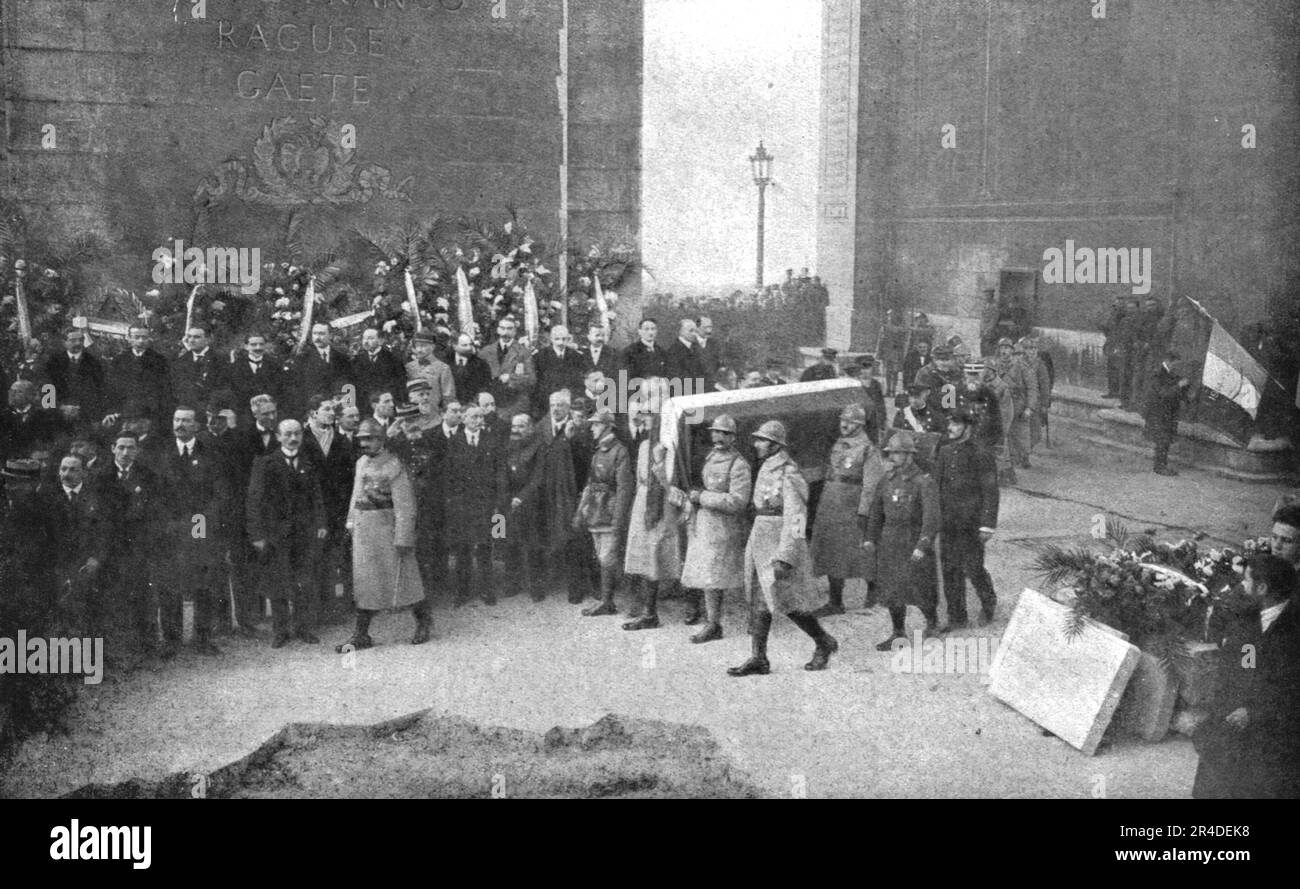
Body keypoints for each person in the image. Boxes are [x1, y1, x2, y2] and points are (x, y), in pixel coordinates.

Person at [727, 420, 838, 676]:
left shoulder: (789, 473)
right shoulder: (766, 467)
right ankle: (759, 658)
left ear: (775, 445)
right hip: (760, 541)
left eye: (762, 440)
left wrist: (786, 555)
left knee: (787, 602)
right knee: (759, 600)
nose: (756, 444)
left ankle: (823, 641)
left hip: (779, 545)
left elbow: (797, 517)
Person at [1193, 553, 1300, 799]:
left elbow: (1290, 688)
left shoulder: (1294, 630)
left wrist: (1253, 711)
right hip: (1238, 713)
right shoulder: (1250, 618)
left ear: (1262, 588)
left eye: (1247, 580)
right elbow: (1245, 667)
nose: (1242, 584)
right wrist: (1236, 705)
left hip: (1276, 725)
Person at [336, 419, 431, 651]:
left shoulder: (393, 465)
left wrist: (404, 537)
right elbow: (356, 495)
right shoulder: (360, 463)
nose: (365, 443)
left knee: (405, 579)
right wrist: (350, 522)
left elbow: (405, 505)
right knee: (366, 582)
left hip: (388, 531)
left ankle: (423, 621)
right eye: (362, 439)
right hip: (364, 532)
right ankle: (361, 634)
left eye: (370, 438)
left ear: (381, 440)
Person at [246, 418, 328, 648]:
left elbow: (317, 497)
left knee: (304, 581)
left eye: (297, 434)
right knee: (278, 583)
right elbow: (254, 502)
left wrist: (321, 523)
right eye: (288, 434)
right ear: (279, 437)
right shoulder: (265, 463)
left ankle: (303, 628)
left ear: (302, 436)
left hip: (304, 533)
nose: (293, 438)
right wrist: (257, 535)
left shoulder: (308, 463)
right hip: (275, 534)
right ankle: (280, 630)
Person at [155, 406, 230, 657]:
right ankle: (172, 639)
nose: (180, 424)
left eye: (186, 420)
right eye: (176, 419)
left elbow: (219, 494)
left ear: (197, 425)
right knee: (170, 585)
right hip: (171, 529)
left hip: (200, 528)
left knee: (203, 584)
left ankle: (202, 637)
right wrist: (169, 523)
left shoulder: (211, 452)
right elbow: (156, 494)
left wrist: (200, 521)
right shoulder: (161, 453)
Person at [861, 430, 941, 650]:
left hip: (912, 539)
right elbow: (876, 512)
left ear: (909, 455)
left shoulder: (923, 482)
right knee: (892, 589)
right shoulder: (886, 481)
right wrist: (870, 538)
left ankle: (932, 623)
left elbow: (931, 518)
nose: (892, 457)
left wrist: (922, 545)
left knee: (921, 586)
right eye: (891, 453)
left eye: (897, 453)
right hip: (890, 541)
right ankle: (898, 633)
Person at [810, 405, 887, 616]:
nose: (844, 424)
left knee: (861, 550)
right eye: (843, 420)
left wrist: (864, 511)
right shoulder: (838, 444)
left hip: (852, 506)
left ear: (860, 425)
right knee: (832, 550)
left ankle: (874, 593)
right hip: (832, 503)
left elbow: (872, 484)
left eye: (850, 422)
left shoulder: (867, 449)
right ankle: (835, 602)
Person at [92, 429, 161, 665]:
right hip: (111, 547)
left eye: (130, 448)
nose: (125, 452)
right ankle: (116, 652)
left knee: (143, 597)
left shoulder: (148, 476)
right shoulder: (100, 476)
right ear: (112, 448)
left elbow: (154, 512)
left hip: (139, 546)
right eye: (121, 447)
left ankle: (147, 648)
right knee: (114, 599)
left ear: (137, 450)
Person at [681, 414, 751, 643]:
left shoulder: (739, 465)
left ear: (733, 438)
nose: (719, 437)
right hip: (706, 525)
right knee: (709, 576)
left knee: (729, 575)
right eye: (716, 432)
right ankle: (713, 624)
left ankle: (754, 620)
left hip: (725, 527)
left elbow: (738, 501)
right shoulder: (711, 457)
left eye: (725, 434)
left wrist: (703, 497)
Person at [933, 409, 999, 630]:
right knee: (950, 568)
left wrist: (987, 524)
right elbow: (937, 486)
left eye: (955, 424)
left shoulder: (981, 452)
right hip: (949, 521)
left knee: (973, 567)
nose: (950, 428)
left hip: (971, 523)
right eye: (949, 423)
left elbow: (990, 490)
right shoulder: (944, 451)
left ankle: (988, 601)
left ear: (967, 427)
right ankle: (957, 617)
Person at [619, 404, 683, 631]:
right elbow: (639, 479)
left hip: (661, 503)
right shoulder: (644, 445)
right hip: (643, 501)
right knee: (642, 555)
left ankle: (650, 612)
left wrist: (658, 464)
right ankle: (644, 608)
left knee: (656, 554)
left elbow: (671, 484)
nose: (643, 422)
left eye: (647, 418)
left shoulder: (668, 448)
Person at [37, 453, 108, 637]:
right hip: (55, 565)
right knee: (56, 614)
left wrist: (96, 558)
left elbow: (104, 533)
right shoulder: (46, 497)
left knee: (85, 613)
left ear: (83, 472)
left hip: (86, 565)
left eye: (73, 469)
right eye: (63, 469)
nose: (67, 474)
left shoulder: (97, 498)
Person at [574, 409, 634, 616]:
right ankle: (607, 600)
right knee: (601, 556)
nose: (592, 428)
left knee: (608, 558)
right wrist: (581, 511)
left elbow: (624, 489)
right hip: (596, 511)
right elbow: (590, 484)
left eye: (596, 424)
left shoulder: (620, 451)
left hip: (609, 511)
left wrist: (619, 519)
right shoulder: (598, 451)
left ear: (608, 427)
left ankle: (609, 601)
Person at [445, 405, 505, 607]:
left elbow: (499, 473)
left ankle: (487, 590)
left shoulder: (492, 442)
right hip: (462, 505)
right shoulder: (454, 442)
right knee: (463, 549)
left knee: (484, 548)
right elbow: (450, 475)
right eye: (473, 416)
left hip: (484, 503)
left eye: (480, 416)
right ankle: (462, 592)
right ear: (464, 419)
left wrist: (497, 502)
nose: (478, 420)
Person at [502, 413, 546, 600]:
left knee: (532, 547)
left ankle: (536, 587)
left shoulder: (539, 446)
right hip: (506, 504)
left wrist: (521, 497)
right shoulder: (507, 446)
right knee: (507, 544)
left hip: (530, 503)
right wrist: (505, 497)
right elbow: (501, 472)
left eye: (521, 426)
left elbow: (538, 477)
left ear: (529, 428)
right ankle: (512, 584)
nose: (516, 430)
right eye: (514, 426)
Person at [105, 325, 173, 428]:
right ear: (129, 338)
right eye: (137, 337)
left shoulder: (159, 361)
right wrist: (112, 411)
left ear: (149, 339)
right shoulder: (119, 360)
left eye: (144, 337)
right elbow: (112, 388)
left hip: (151, 414)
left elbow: (165, 390)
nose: (141, 341)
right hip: (124, 413)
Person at [42, 328, 106, 433]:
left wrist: (81, 409)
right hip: (59, 415)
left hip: (87, 415)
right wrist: (61, 407)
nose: (78, 343)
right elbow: (46, 389)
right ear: (64, 342)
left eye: (81, 340)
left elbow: (99, 391)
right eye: (73, 340)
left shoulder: (94, 362)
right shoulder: (53, 362)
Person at [991, 337, 1038, 469]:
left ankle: (1024, 456)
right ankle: (1007, 461)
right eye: (1002, 348)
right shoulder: (994, 365)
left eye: (1007, 348)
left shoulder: (1022, 366)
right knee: (1002, 432)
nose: (1004, 351)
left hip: (1018, 403)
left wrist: (1029, 407)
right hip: (1001, 403)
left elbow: (1032, 387)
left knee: (1021, 433)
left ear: (1012, 350)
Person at [479, 316, 536, 420]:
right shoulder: (486, 352)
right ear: (498, 330)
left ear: (515, 331)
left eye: (510, 329)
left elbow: (531, 379)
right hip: (491, 403)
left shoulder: (524, 352)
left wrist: (510, 377)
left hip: (514, 404)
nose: (505, 332)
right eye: (503, 328)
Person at [1144, 350, 1189, 477]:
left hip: (1167, 412)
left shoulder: (1170, 372)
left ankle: (1162, 465)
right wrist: (1179, 385)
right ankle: (1160, 467)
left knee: (1165, 440)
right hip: (1159, 412)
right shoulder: (1158, 373)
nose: (1177, 367)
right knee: (1162, 440)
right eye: (1175, 364)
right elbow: (1163, 393)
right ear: (1169, 361)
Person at [293, 323, 353, 418]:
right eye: (315, 333)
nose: (317, 337)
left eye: (321, 334)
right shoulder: (303, 357)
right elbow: (298, 384)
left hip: (335, 407)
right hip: (313, 408)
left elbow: (347, 382)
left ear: (330, 335)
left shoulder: (341, 356)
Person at [225, 332, 287, 424]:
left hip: (270, 413)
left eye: (261, 344)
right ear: (246, 346)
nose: (258, 348)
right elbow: (234, 391)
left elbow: (280, 389)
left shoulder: (275, 365)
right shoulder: (235, 367)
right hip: (244, 414)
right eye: (253, 345)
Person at [1, 380, 66, 461]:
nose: (13, 395)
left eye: (19, 392)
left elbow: (49, 441)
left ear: (30, 395)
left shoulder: (42, 416)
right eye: (11, 392)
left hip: (35, 462)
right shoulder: (4, 415)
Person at [170, 326, 227, 415]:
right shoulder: (180, 362)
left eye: (196, 337)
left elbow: (223, 387)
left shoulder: (220, 360)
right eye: (189, 337)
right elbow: (177, 389)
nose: (191, 340)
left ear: (207, 339)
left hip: (212, 411)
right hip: (188, 412)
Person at [533, 325, 585, 416]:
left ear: (568, 339)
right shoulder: (540, 356)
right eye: (557, 339)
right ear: (551, 339)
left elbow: (579, 381)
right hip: (547, 402)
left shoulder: (576, 356)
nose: (560, 342)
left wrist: (570, 392)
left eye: (564, 339)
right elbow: (537, 383)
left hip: (570, 401)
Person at [352, 327, 406, 412]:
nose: (365, 342)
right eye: (364, 338)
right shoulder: (357, 360)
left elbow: (401, 384)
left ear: (381, 341)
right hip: (365, 408)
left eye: (370, 338)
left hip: (388, 407)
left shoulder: (393, 359)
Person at [405, 330, 456, 416]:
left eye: (423, 346)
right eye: (417, 346)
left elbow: (448, 397)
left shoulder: (443, 368)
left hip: (434, 416)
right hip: (413, 416)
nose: (419, 349)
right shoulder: (409, 367)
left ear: (432, 347)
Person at [446, 331, 492, 410]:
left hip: (472, 407)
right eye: (464, 345)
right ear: (454, 346)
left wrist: (471, 404)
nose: (469, 348)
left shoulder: (481, 364)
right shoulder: (445, 362)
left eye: (470, 344)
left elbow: (485, 387)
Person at [622, 317, 668, 382]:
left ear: (656, 331)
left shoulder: (662, 352)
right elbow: (626, 378)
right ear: (639, 331)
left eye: (653, 329)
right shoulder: (630, 352)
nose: (650, 332)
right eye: (646, 329)